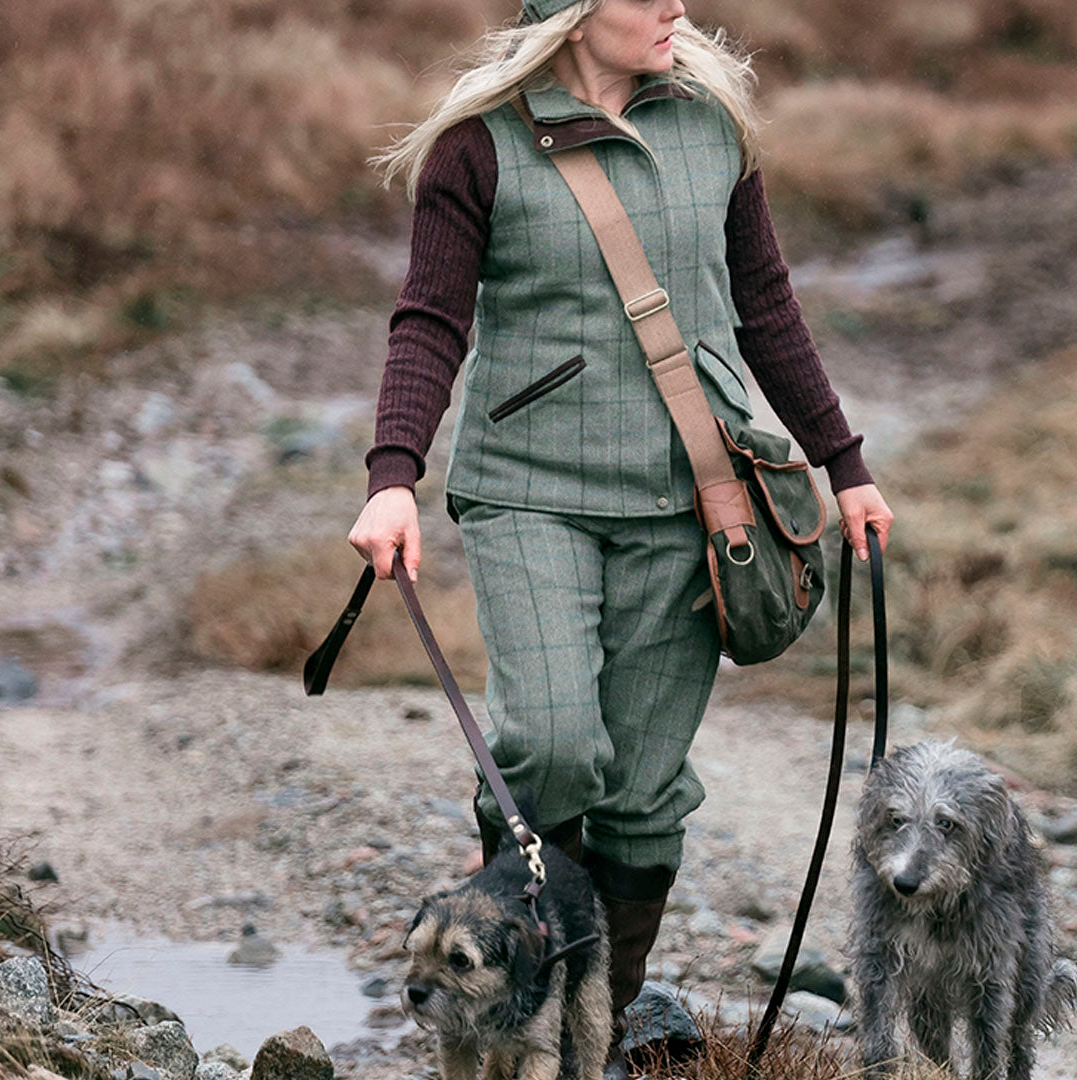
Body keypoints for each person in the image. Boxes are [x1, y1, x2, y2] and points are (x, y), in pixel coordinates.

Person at [351, 1, 893, 1075]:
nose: (679, 9)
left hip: (697, 507)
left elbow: (766, 304)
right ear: (573, 13)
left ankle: (592, 1024)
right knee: (553, 745)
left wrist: (846, 465)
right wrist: (394, 476)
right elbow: (429, 317)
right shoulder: (478, 148)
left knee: (643, 797)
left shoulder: (713, 128)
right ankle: (510, 999)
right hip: (527, 496)